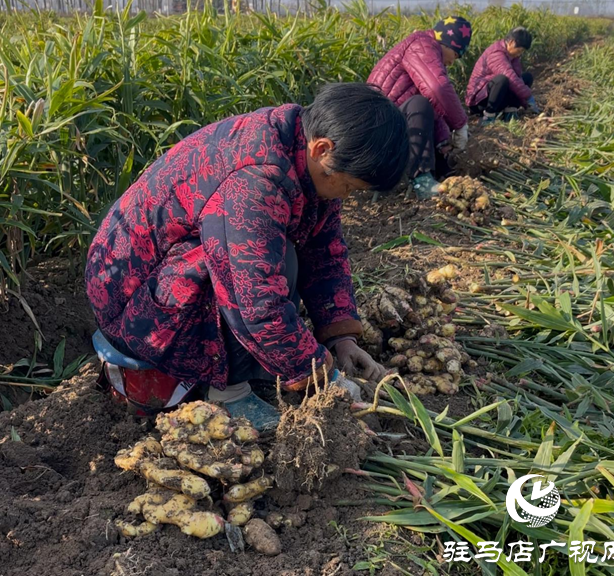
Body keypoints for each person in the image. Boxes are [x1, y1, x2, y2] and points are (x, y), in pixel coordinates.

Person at [85, 83, 409, 429]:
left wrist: (340, 338)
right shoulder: (257, 178)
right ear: (323, 149)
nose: (346, 195)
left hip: (170, 278)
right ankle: (228, 393)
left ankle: (249, 368)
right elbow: (254, 300)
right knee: (275, 260)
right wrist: (321, 376)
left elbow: (325, 252)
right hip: (133, 304)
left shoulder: (304, 154)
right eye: (349, 186)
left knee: (281, 254)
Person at [368, 16, 472, 197]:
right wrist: (460, 124)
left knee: (423, 104)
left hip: (389, 123)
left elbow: (434, 105)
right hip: (378, 130)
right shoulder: (422, 45)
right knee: (419, 103)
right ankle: (420, 180)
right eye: (456, 54)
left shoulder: (428, 50)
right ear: (447, 43)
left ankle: (440, 170)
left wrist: (443, 141)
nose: (453, 61)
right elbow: (436, 89)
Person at [466, 26, 539, 123]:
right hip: (480, 101)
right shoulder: (496, 54)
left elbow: (518, 78)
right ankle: (488, 115)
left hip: (496, 95)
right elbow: (511, 78)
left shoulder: (512, 56)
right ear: (511, 42)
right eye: (520, 50)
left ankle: (510, 112)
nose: (520, 54)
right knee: (502, 79)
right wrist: (528, 97)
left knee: (526, 77)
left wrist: (525, 103)